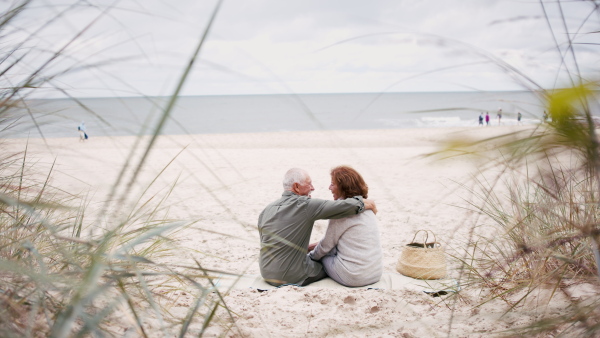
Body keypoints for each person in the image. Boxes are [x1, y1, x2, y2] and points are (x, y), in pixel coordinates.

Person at [258, 168, 377, 286]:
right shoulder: (304, 205)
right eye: (309, 184)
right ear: (296, 187)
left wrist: (308, 248)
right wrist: (367, 202)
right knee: (324, 262)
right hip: (289, 277)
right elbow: (344, 206)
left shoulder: (267, 210)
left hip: (266, 272)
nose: (313, 188)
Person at [308, 166, 383, 287]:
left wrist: (309, 256)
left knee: (322, 256)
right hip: (375, 273)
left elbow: (326, 246)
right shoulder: (367, 206)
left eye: (332, 184)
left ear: (343, 187)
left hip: (354, 276)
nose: (329, 188)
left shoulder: (341, 212)